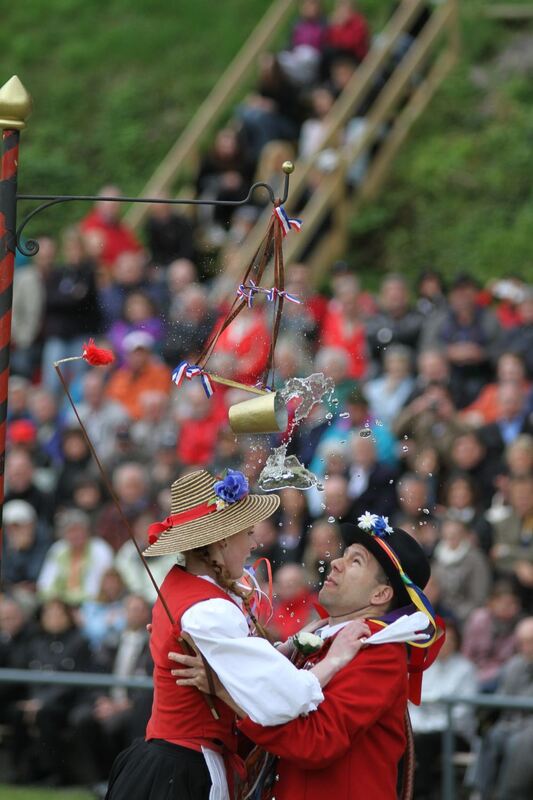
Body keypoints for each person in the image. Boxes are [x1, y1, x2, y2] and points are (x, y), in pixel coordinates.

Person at [105, 469, 368, 800]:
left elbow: (243, 661)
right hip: (184, 773)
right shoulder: (208, 610)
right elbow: (285, 698)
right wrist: (337, 657)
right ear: (222, 541)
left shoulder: (184, 586)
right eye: (248, 533)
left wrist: (291, 645)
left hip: (174, 763)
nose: (254, 543)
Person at [171, 512, 443, 800]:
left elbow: (316, 741)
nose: (336, 563)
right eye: (344, 555)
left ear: (380, 595)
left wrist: (227, 689)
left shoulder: (379, 651)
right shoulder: (334, 637)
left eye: (355, 562)